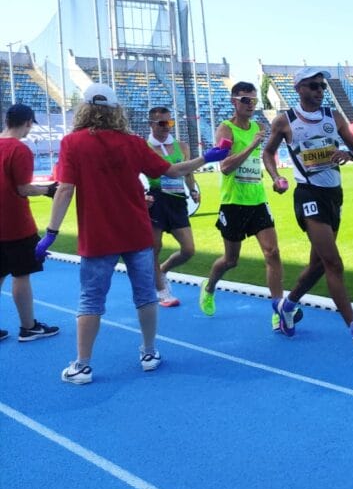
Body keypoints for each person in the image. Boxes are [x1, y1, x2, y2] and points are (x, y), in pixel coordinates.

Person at [37, 84, 229, 384]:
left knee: (90, 301)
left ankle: (82, 365)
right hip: (136, 231)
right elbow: (173, 171)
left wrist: (51, 232)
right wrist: (208, 158)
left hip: (98, 235)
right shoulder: (133, 142)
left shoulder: (72, 143)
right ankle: (150, 353)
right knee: (144, 296)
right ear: (116, 111)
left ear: (85, 109)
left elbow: (64, 190)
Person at [262, 67, 353, 355]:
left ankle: (287, 306)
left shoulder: (335, 117)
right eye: (313, 86)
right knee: (334, 263)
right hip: (308, 194)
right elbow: (268, 153)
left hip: (333, 195)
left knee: (318, 265)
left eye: (322, 86)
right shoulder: (286, 120)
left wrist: (347, 153)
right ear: (299, 89)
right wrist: (276, 177)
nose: (320, 91)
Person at [198, 81, 286, 321]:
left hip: (257, 200)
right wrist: (251, 145)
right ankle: (209, 287)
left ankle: (278, 308)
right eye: (246, 100)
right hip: (233, 202)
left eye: (254, 101)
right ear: (233, 101)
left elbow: (263, 158)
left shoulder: (258, 126)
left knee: (273, 252)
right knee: (231, 260)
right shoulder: (225, 129)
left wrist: (276, 178)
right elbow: (224, 167)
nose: (251, 105)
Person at [0, 104, 60, 343]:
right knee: (21, 275)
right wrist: (48, 190)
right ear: (26, 123)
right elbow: (23, 188)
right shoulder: (20, 149)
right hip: (15, 224)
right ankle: (28, 327)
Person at [145, 106, 201, 308]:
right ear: (151, 124)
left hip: (177, 200)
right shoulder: (144, 147)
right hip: (155, 200)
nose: (167, 127)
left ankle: (163, 270)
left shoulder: (182, 147)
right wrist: (142, 195)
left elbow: (188, 172)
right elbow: (134, 175)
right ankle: (161, 290)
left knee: (188, 249)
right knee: (154, 248)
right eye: (162, 123)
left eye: (170, 122)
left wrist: (193, 190)